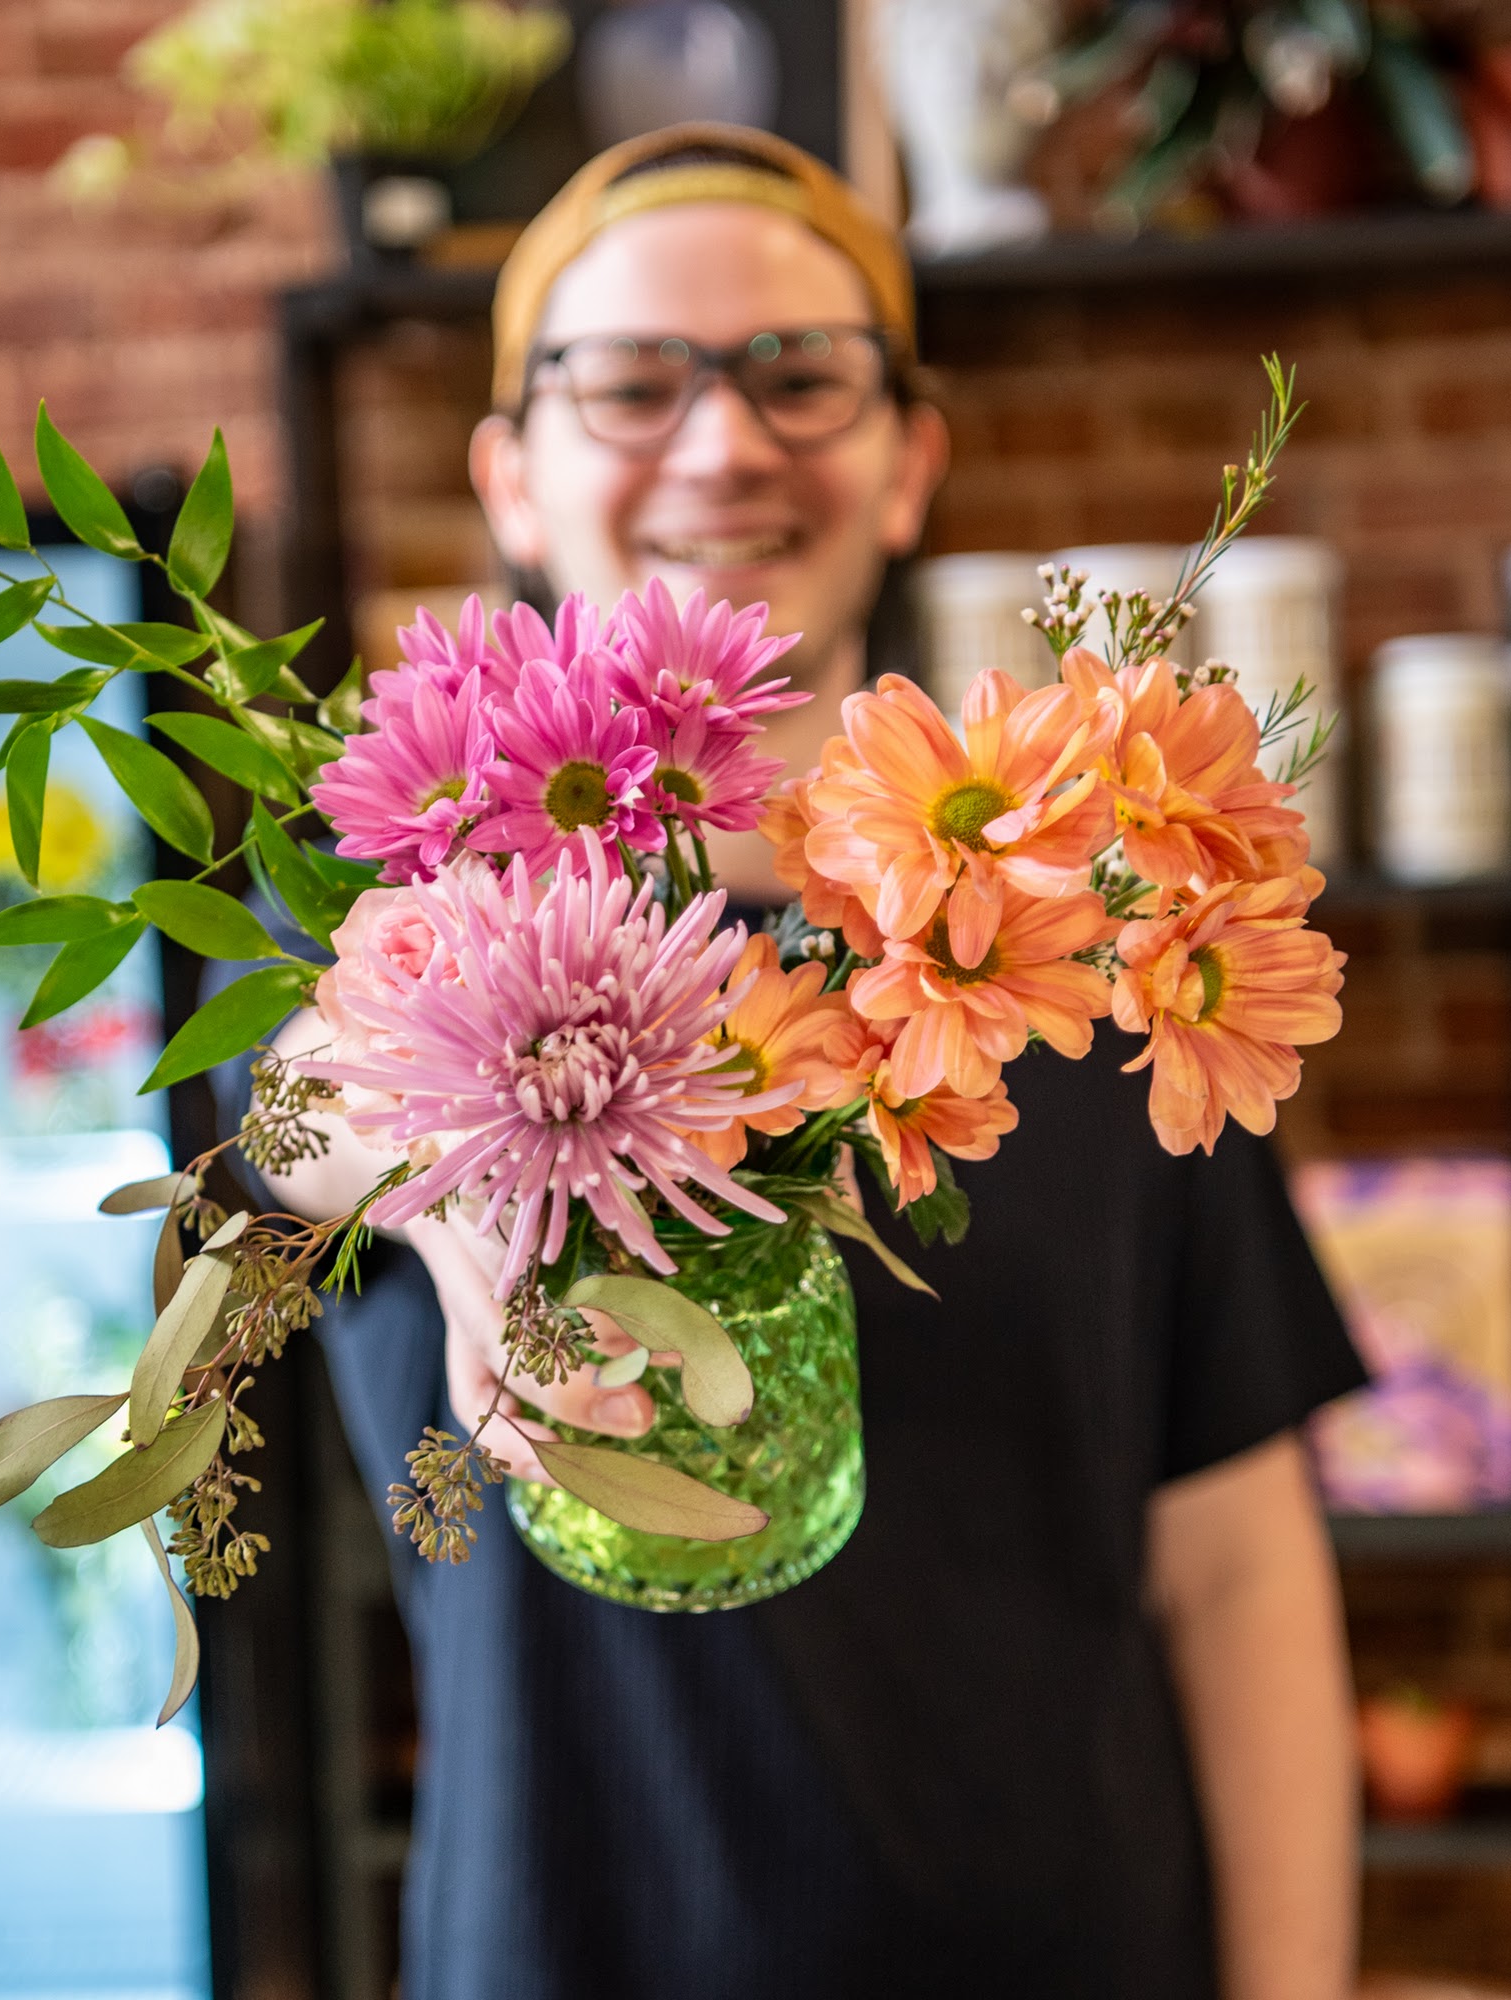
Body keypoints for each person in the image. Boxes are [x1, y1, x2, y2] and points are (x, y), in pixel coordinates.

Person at [258, 124, 1365, 2000]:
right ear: (510, 477)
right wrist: (447, 1188)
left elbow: (1241, 1573)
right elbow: (285, 1115)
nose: (722, 443)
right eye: (630, 385)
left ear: (911, 460)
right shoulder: (410, 942)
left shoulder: (1095, 965)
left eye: (801, 375)